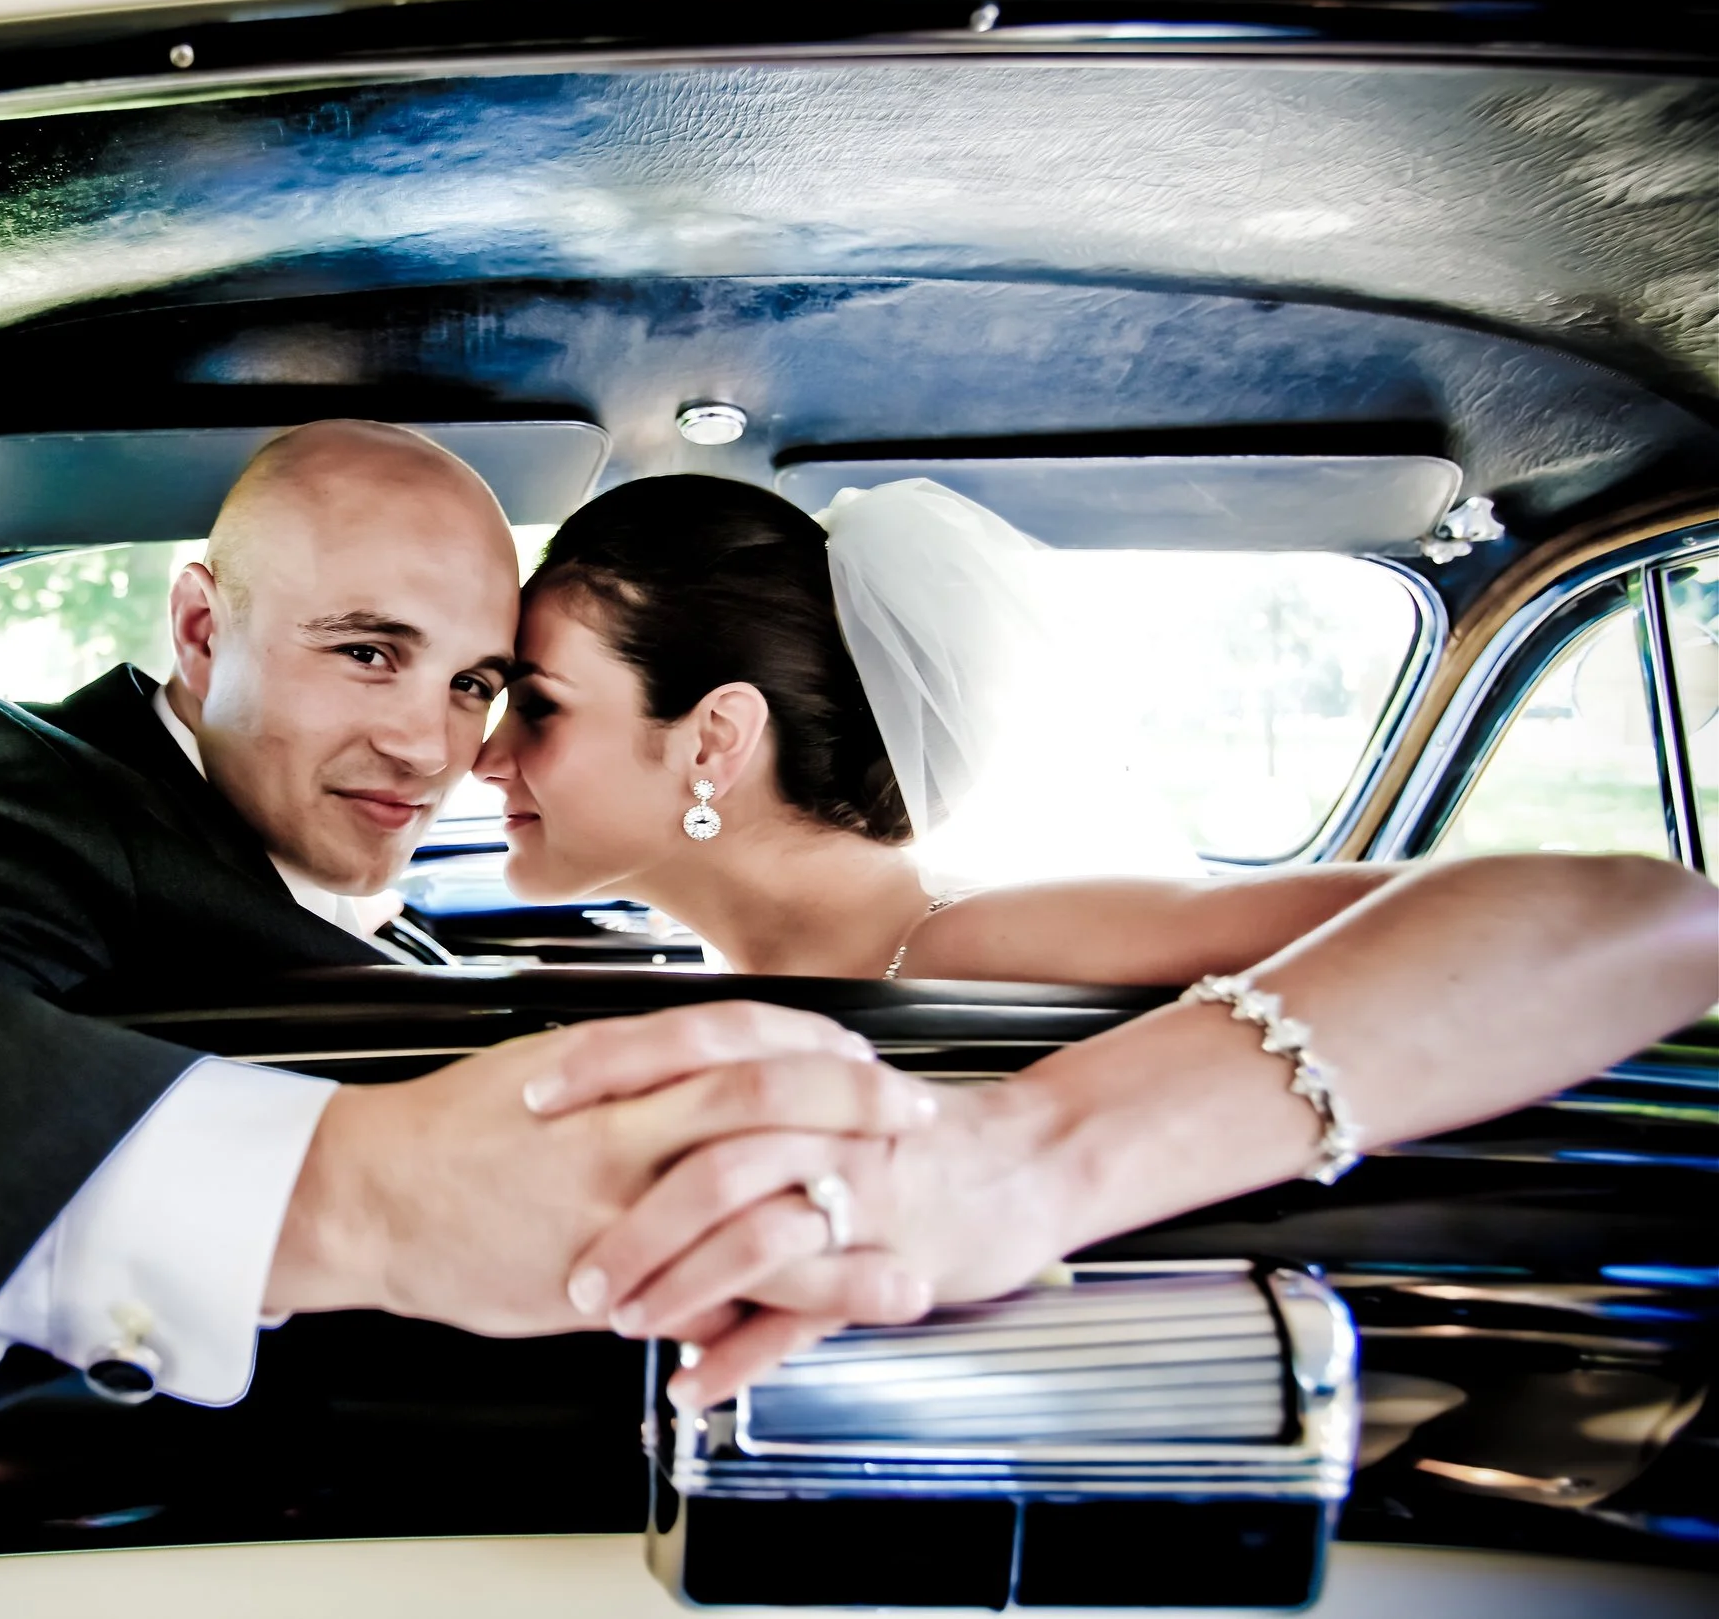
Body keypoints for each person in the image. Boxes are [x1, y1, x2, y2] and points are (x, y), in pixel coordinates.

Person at [0, 422, 932, 1417]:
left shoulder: (310, 850)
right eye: (369, 652)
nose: (437, 752)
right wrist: (377, 1195)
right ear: (197, 630)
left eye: (475, 684)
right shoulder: (10, 792)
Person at [474, 473, 1719, 1410]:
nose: (483, 754)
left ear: (711, 740)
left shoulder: (970, 943)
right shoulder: (707, 984)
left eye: (536, 703)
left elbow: (1656, 916)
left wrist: (1027, 1160)